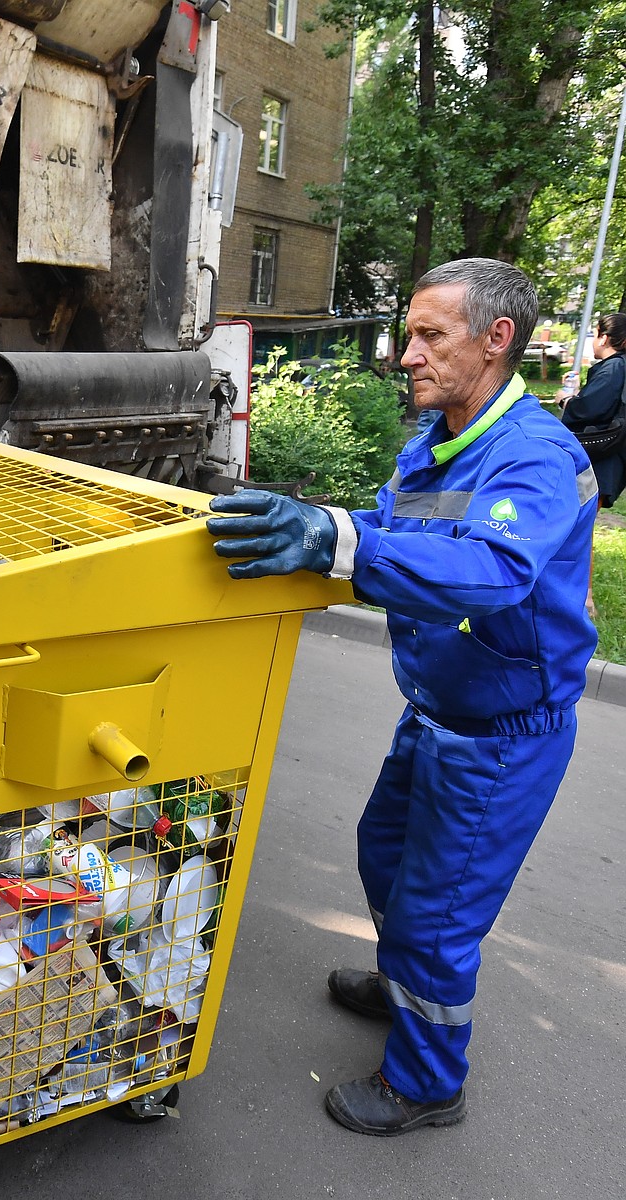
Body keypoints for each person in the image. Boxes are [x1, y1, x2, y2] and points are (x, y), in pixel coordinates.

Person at [206, 259, 599, 1136]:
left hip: (501, 733)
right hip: (437, 709)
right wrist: (319, 531)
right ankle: (406, 987)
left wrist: (338, 542)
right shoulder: (439, 440)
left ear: (497, 341)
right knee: (383, 856)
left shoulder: (533, 456)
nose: (405, 354)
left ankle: (427, 1085)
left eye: (430, 335)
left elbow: (493, 571)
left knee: (435, 913)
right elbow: (387, 531)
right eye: (408, 332)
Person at [561, 312, 626, 508]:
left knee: (579, 519)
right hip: (612, 455)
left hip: (600, 457)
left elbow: (589, 409)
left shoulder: (613, 368)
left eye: (596, 335)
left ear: (604, 338)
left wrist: (565, 400)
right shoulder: (619, 366)